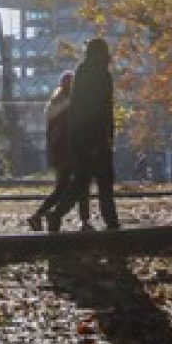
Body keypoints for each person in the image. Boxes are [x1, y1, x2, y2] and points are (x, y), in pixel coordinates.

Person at [46, 38, 120, 232]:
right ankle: (111, 221)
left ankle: (56, 215)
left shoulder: (81, 71)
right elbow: (103, 109)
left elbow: (80, 108)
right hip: (96, 137)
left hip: (79, 137)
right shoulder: (103, 75)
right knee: (104, 181)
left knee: (80, 182)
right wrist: (105, 137)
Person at [28, 72, 92, 231]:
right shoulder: (73, 105)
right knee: (82, 186)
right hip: (73, 151)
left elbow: (52, 133)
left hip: (58, 153)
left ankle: (37, 215)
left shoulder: (52, 105)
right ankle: (84, 221)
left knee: (60, 189)